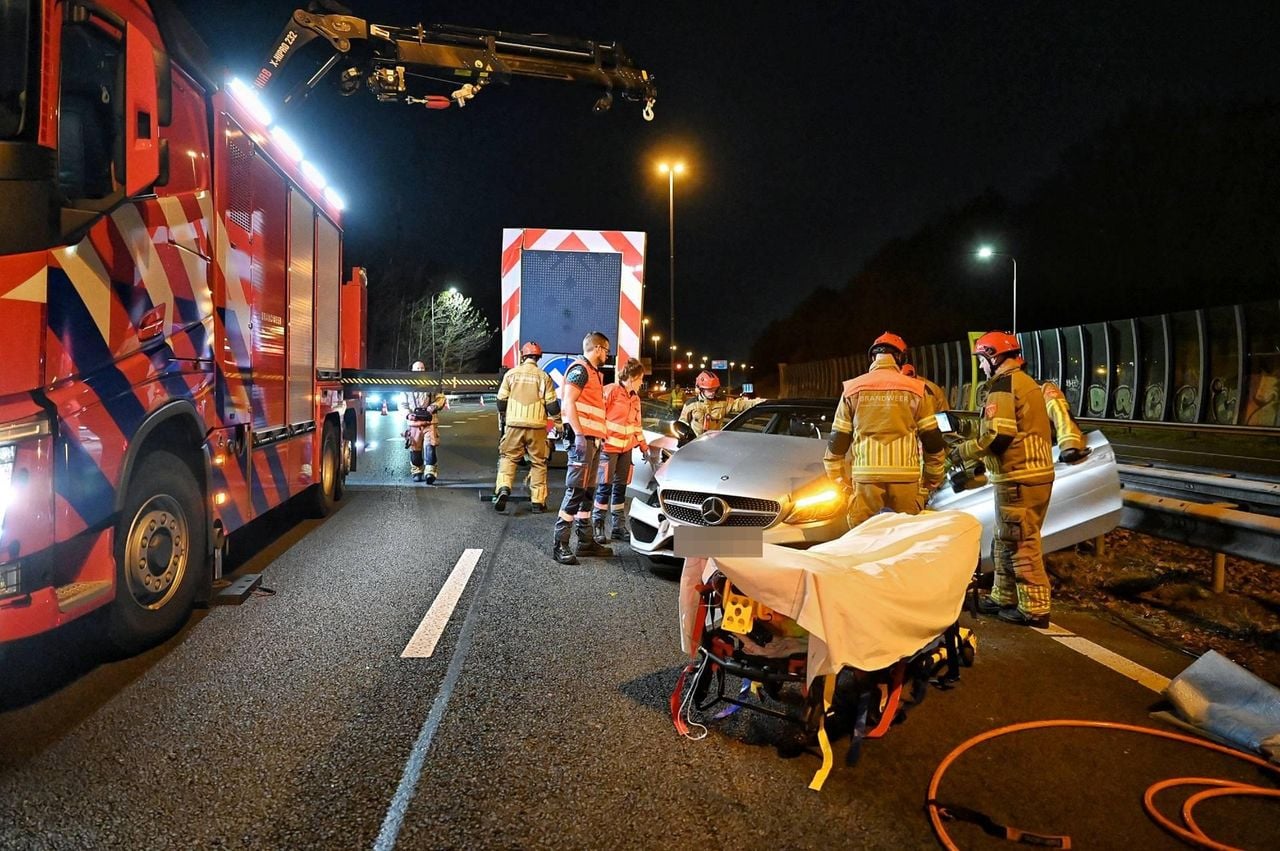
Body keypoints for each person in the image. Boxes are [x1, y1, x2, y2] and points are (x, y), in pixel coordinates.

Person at [954, 331, 1067, 627]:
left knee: (1021, 542)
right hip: (1027, 474)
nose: (980, 367)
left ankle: (1034, 608)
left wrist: (963, 452)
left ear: (994, 357)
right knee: (1006, 539)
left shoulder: (1004, 386)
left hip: (1019, 476)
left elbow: (998, 435)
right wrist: (968, 431)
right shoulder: (1026, 384)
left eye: (982, 360)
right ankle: (1003, 596)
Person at [822, 332, 946, 526]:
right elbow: (932, 440)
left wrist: (837, 477)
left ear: (873, 357)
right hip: (906, 479)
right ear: (900, 357)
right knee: (904, 539)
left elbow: (838, 438)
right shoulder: (917, 389)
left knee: (862, 538)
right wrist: (932, 479)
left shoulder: (853, 388)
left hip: (866, 479)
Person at [553, 331, 614, 565]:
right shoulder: (581, 370)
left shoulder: (594, 374)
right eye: (606, 350)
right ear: (597, 348)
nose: (607, 355)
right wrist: (579, 434)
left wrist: (600, 436)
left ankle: (586, 542)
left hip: (593, 440)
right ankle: (560, 543)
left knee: (588, 492)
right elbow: (568, 402)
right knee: (576, 491)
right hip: (583, 439)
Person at [493, 341, 560, 512]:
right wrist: (559, 424)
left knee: (508, 458)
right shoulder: (544, 377)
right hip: (537, 427)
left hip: (514, 424)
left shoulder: (511, 375)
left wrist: (503, 416)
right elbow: (552, 405)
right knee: (538, 463)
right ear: (538, 357)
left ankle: (504, 488)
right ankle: (537, 502)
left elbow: (501, 400)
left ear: (523, 355)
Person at [592, 359, 650, 543]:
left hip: (626, 450)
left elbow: (636, 425)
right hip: (608, 449)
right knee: (604, 488)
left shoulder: (635, 398)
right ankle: (598, 525)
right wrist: (599, 440)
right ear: (633, 377)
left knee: (620, 489)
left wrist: (643, 445)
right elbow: (598, 416)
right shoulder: (610, 391)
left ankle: (618, 527)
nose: (642, 383)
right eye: (641, 379)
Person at [678, 370, 767, 437]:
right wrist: (685, 438)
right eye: (709, 389)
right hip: (695, 444)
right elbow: (682, 424)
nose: (712, 392)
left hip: (716, 443)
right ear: (700, 389)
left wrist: (763, 401)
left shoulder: (723, 402)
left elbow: (741, 404)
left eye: (714, 389)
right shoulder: (691, 404)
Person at [404, 361, 446, 484]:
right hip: (414, 424)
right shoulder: (406, 385)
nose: (420, 371)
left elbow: (441, 398)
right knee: (415, 451)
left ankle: (430, 472)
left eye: (422, 368)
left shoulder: (432, 382)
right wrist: (408, 414)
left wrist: (433, 406)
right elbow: (402, 403)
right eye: (417, 368)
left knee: (430, 449)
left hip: (430, 422)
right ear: (412, 370)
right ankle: (417, 471)